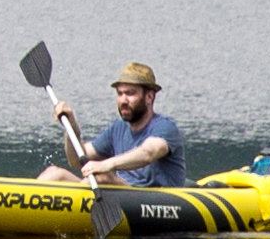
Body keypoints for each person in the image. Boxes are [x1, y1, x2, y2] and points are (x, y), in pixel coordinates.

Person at [41, 62, 186, 187]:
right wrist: (71, 128)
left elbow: (148, 153)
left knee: (103, 177)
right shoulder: (118, 127)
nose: (123, 100)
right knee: (54, 174)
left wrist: (106, 164)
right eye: (120, 93)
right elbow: (76, 161)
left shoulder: (165, 127)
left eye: (130, 94)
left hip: (154, 202)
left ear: (149, 97)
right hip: (119, 196)